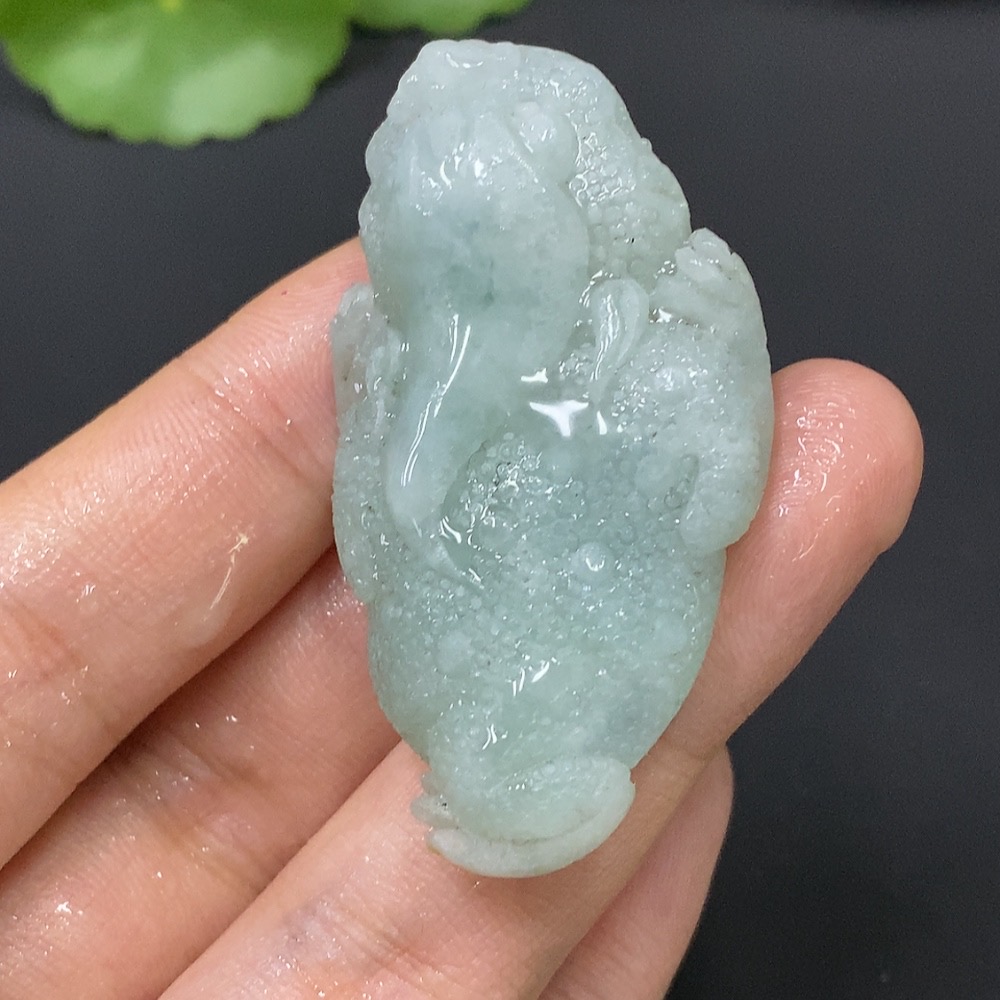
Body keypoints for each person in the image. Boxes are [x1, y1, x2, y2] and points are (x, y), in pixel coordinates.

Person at [0, 239, 922, 998]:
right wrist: (370, 399)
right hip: (481, 654)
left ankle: (523, 782)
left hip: (562, 656)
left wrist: (729, 344)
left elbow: (720, 498)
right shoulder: (439, 369)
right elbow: (377, 539)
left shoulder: (648, 362)